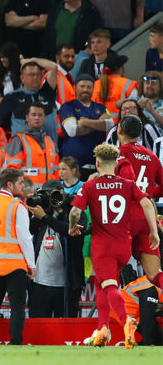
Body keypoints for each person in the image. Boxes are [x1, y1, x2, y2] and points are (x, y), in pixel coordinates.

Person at [69, 144, 159, 348]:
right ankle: (103, 330)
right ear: (116, 163)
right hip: (123, 246)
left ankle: (126, 320)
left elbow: (75, 211)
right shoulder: (127, 183)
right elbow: (146, 203)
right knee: (103, 284)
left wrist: (72, 226)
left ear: (97, 164)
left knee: (109, 286)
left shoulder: (90, 186)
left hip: (103, 246)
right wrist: (154, 231)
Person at [0, 168, 35, 345]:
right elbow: (25, 238)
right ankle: (15, 343)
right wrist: (31, 264)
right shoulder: (17, 206)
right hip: (14, 265)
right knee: (17, 307)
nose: (23, 185)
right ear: (10, 185)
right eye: (20, 182)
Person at [114, 115, 163, 294]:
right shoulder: (152, 156)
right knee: (154, 273)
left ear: (119, 130)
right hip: (146, 217)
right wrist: (149, 192)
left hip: (123, 215)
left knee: (111, 268)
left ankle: (115, 315)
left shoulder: (117, 154)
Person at [28, 179, 86, 318]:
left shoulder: (75, 212)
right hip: (40, 282)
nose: (50, 198)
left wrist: (47, 216)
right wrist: (39, 211)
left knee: (66, 328)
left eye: (52, 194)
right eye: (46, 194)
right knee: (39, 325)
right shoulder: (42, 213)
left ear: (62, 193)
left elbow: (68, 230)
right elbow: (31, 229)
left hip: (67, 283)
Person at [0, 59, 60, 142]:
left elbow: (53, 67)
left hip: (49, 150)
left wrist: (32, 59)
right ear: (22, 78)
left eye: (38, 74)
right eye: (31, 75)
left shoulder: (48, 92)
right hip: (23, 150)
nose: (36, 77)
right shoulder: (11, 97)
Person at [59, 74, 112, 167]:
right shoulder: (67, 107)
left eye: (89, 87)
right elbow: (72, 130)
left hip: (98, 163)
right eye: (82, 86)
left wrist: (84, 122)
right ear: (75, 88)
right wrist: (98, 124)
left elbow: (109, 126)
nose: (85, 90)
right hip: (73, 165)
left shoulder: (101, 107)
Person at [4, 102, 60, 188]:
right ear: (27, 117)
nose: (37, 118)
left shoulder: (50, 142)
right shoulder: (18, 140)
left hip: (48, 194)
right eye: (33, 115)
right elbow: (11, 171)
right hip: (27, 194)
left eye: (40, 115)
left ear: (45, 117)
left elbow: (56, 172)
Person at [112, 276, 163, 345]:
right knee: (153, 339)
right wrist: (148, 344)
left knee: (158, 339)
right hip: (125, 310)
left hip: (139, 309)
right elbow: (146, 320)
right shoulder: (152, 289)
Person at [92, 55, 138, 122]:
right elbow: (135, 109)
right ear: (120, 69)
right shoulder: (128, 84)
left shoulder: (94, 85)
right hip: (120, 129)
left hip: (97, 129)